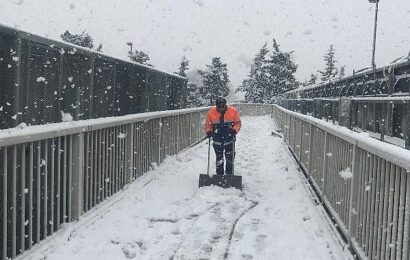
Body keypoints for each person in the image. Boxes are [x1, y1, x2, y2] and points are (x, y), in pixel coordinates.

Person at [204, 97, 241, 175]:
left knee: (230, 157)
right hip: (217, 138)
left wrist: (235, 130)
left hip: (229, 138)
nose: (220, 108)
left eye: (222, 106)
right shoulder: (211, 113)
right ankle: (219, 175)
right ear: (216, 106)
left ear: (225, 105)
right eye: (218, 107)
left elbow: (237, 123)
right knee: (219, 157)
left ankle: (229, 174)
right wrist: (208, 131)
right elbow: (208, 124)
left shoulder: (233, 111)